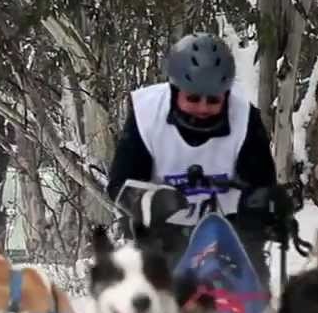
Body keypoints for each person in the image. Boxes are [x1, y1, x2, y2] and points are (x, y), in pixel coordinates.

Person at [107, 32, 291, 287]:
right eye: (193, 98)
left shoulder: (246, 120)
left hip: (228, 231)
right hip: (163, 234)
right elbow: (119, 185)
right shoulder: (146, 113)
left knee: (251, 294)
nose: (203, 108)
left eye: (213, 100)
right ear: (175, 90)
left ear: (226, 94)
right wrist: (155, 201)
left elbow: (261, 184)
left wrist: (268, 212)